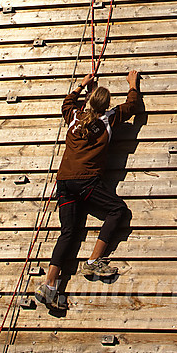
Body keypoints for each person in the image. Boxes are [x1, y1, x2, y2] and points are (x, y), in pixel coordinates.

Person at [35, 70, 141, 309]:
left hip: (64, 182)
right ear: (106, 105)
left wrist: (82, 85)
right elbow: (132, 106)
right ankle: (94, 260)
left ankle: (50, 284)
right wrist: (132, 84)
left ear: (88, 102)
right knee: (117, 211)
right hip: (86, 182)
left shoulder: (73, 116)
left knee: (68, 232)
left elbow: (67, 102)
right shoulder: (109, 119)